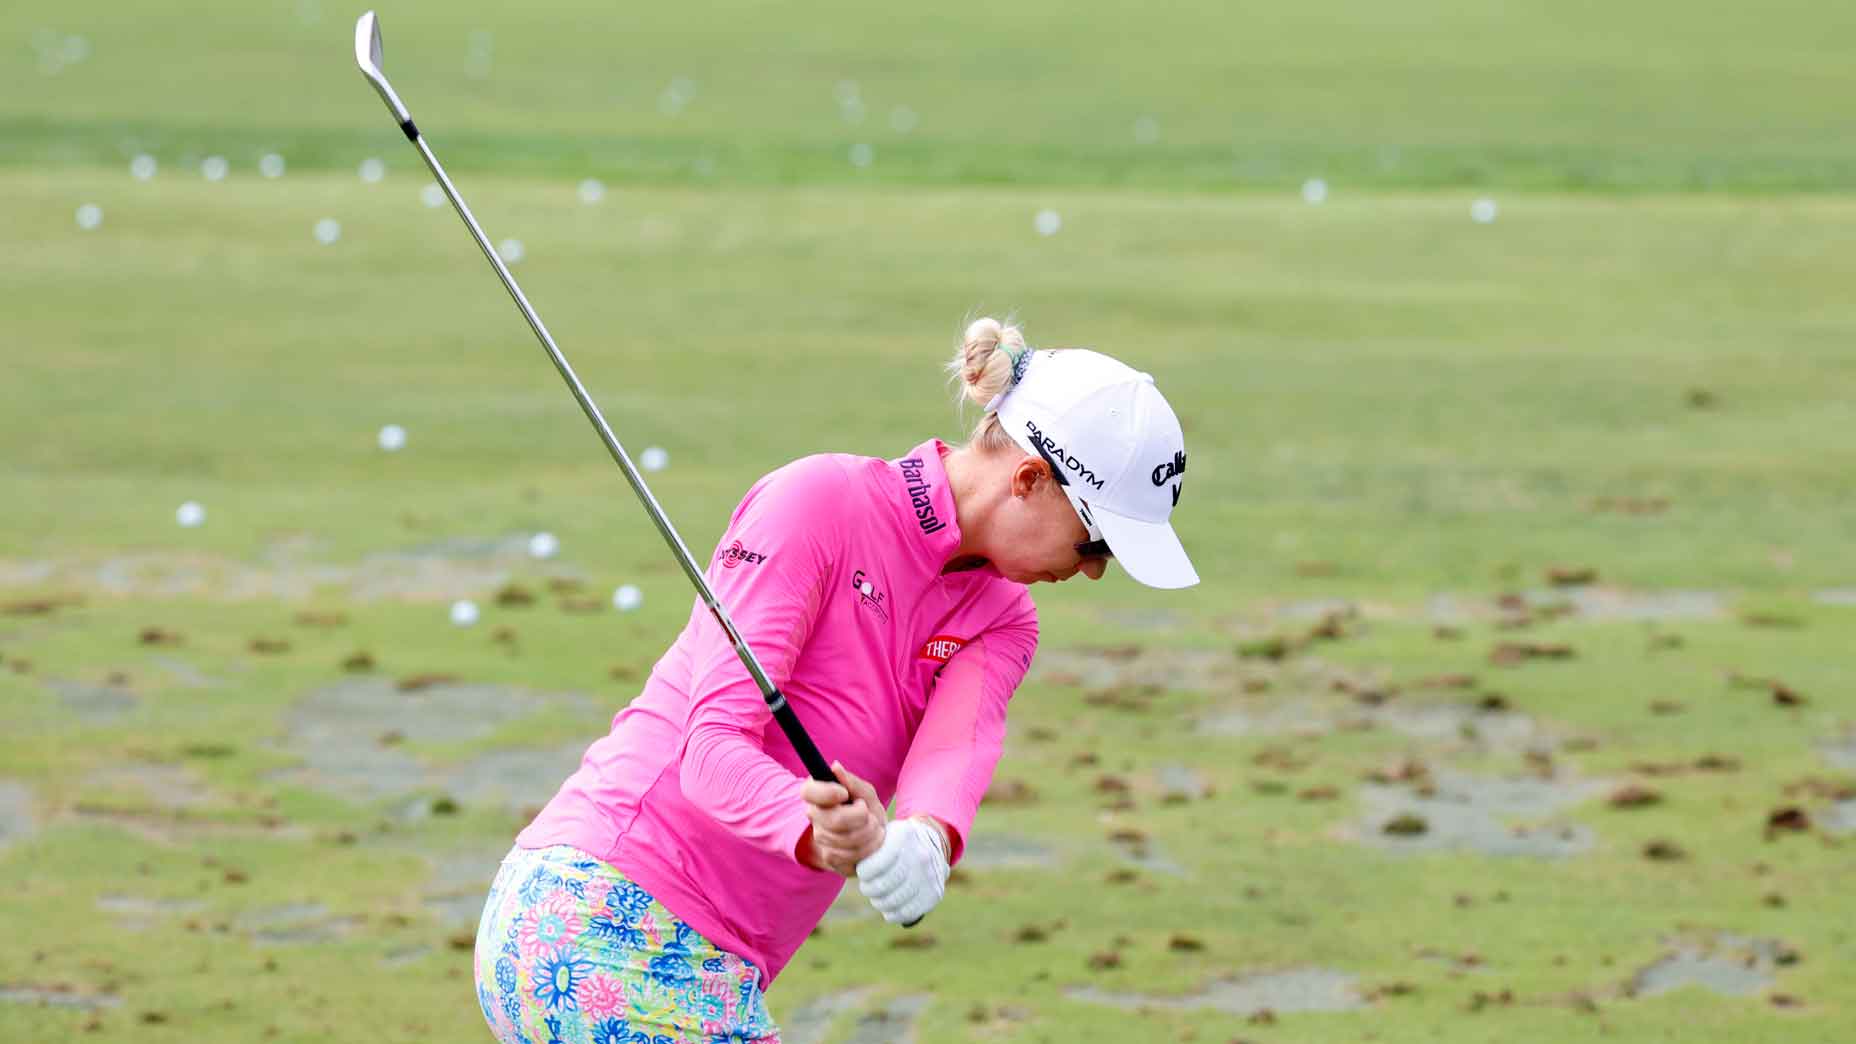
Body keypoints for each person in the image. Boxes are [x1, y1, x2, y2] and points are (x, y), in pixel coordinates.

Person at [473, 317, 1198, 1044]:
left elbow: (952, 756)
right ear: (1030, 479)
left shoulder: (1006, 619)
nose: (1097, 568)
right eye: (1095, 539)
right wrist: (816, 829)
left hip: (707, 961)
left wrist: (923, 842)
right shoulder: (817, 502)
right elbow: (712, 751)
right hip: (600, 913)